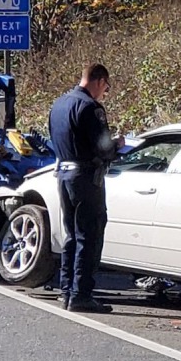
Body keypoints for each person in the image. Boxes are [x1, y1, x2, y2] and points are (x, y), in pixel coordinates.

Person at [48, 63, 123, 314]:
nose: (105, 92)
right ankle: (81, 294)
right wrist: (118, 145)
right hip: (86, 177)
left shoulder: (58, 105)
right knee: (89, 236)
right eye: (106, 87)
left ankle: (66, 290)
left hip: (64, 174)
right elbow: (103, 148)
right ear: (99, 81)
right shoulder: (90, 108)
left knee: (71, 235)